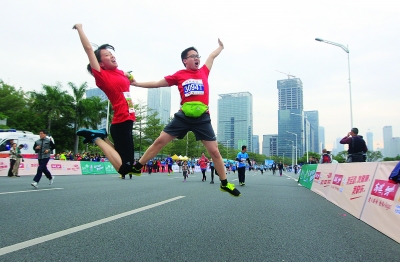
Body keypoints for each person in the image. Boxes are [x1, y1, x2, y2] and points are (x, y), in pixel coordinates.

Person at [130, 39, 240, 196]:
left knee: (214, 152)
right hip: (183, 116)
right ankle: (138, 166)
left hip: (202, 117)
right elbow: (157, 83)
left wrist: (220, 47)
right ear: (185, 60)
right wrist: (137, 83)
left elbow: (212, 56)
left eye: (198, 56)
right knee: (160, 141)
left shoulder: (203, 71)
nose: (197, 58)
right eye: (193, 56)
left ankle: (224, 183)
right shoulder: (179, 75)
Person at [73, 23, 136, 180]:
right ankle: (97, 138)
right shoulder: (102, 75)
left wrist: (131, 77)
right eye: (106, 55)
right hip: (121, 120)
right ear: (100, 63)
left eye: (111, 53)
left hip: (128, 120)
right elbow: (88, 49)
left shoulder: (120, 73)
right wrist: (80, 28)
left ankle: (101, 136)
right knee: (124, 168)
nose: (112, 56)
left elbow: (130, 80)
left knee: (125, 161)